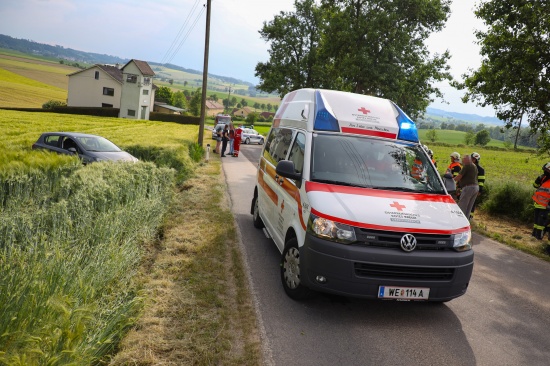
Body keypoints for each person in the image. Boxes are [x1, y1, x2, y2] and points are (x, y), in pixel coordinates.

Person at [531, 163, 550, 254]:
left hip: (546, 206)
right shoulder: (543, 178)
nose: (544, 172)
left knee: (542, 223)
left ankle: (539, 237)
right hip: (538, 204)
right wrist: (538, 179)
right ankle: (534, 236)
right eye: (544, 170)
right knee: (536, 222)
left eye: (546, 171)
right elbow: (535, 185)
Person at [454, 154, 478, 219]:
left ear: (466, 160)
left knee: (462, 205)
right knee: (469, 207)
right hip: (475, 187)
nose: (462, 160)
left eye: (463, 159)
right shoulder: (474, 166)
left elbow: (459, 176)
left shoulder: (467, 166)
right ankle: (466, 220)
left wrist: (452, 181)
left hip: (468, 187)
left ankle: (459, 220)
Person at [469, 152, 485, 220]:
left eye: (472, 159)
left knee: (472, 203)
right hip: (466, 188)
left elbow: (481, 181)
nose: (471, 160)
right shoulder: (468, 167)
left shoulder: (481, 170)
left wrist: (480, 190)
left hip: (474, 189)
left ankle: (470, 216)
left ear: (476, 160)